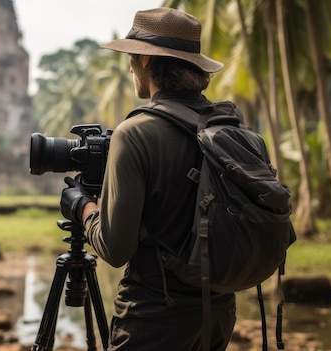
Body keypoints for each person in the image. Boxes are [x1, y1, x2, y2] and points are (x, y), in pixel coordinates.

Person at [59, 7, 237, 351]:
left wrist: (82, 205)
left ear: (144, 60)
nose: (128, 67)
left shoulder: (136, 133)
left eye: (130, 58)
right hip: (218, 314)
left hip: (155, 318)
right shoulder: (226, 127)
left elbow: (116, 248)